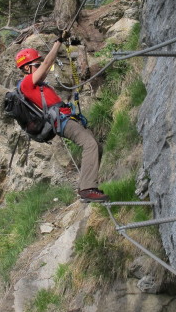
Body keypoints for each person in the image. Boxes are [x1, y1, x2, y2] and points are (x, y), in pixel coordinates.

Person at [15, 35, 109, 203]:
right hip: (62, 121)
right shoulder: (26, 84)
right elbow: (47, 64)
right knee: (90, 144)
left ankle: (86, 186)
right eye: (36, 64)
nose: (40, 67)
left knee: (95, 145)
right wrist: (58, 42)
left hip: (65, 118)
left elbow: (45, 66)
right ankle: (87, 189)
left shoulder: (38, 85)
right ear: (27, 68)